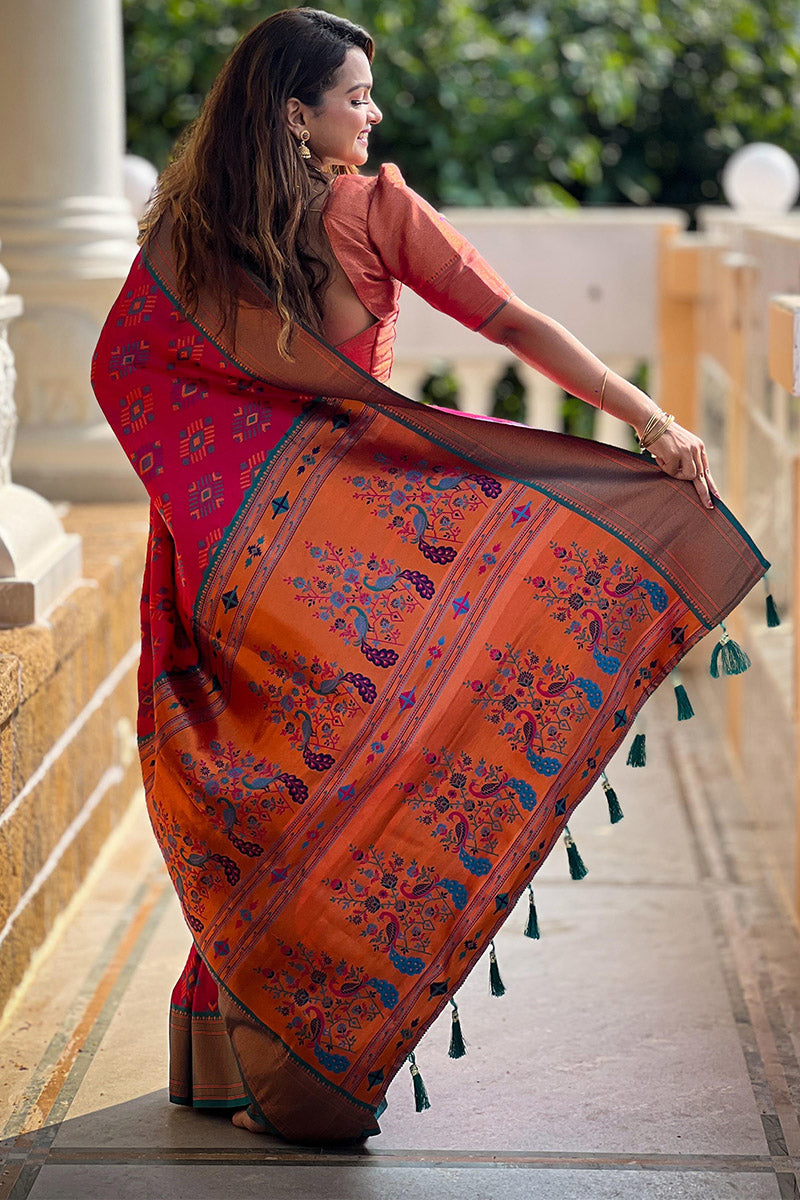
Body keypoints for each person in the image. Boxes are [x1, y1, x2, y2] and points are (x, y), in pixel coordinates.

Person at [92, 7, 766, 1143]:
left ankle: (231, 1056)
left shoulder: (186, 242)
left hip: (245, 578)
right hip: (361, 580)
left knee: (271, 809)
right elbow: (514, 322)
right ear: (296, 114)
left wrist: (216, 503)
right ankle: (306, 1075)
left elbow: (123, 373)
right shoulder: (371, 211)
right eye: (356, 95)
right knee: (365, 796)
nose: (374, 113)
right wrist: (646, 421)